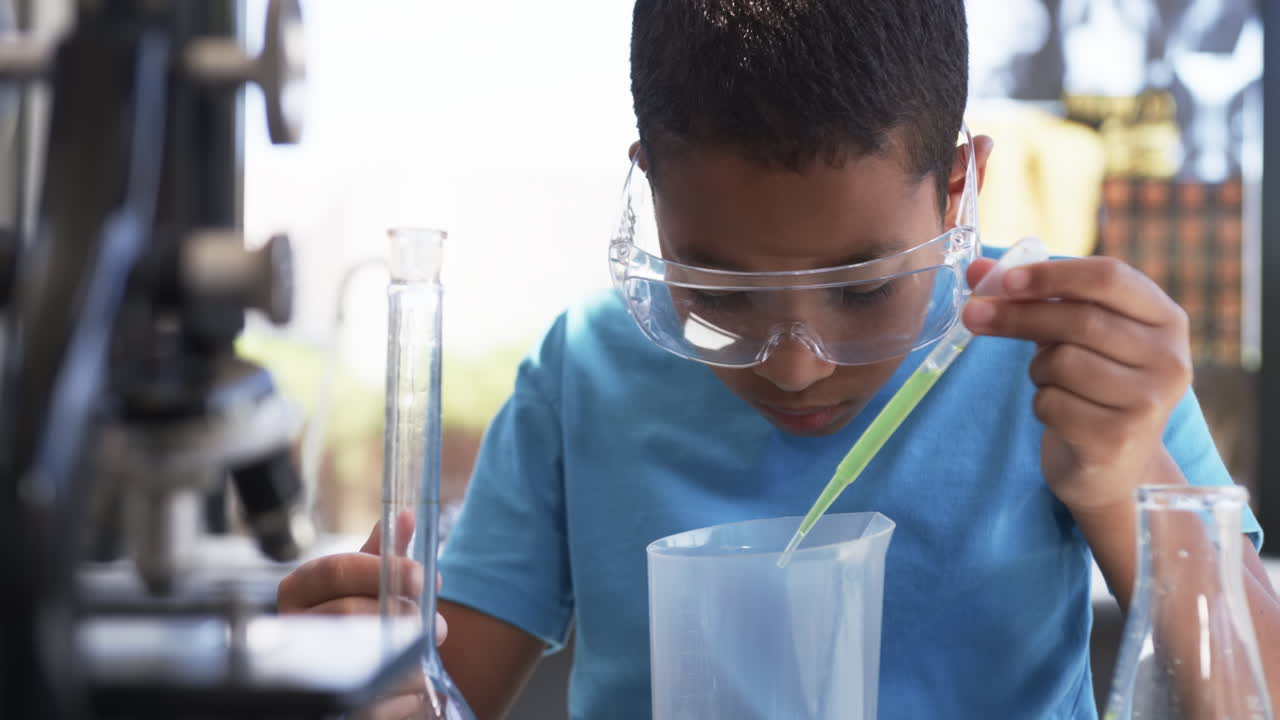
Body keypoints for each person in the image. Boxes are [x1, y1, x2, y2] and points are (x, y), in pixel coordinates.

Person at [278, 0, 1280, 717]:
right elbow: (442, 694)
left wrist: (1118, 481)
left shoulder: (1065, 360)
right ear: (651, 193)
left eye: (860, 287)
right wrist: (366, 680)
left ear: (957, 188)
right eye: (718, 294)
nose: (795, 366)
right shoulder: (583, 374)